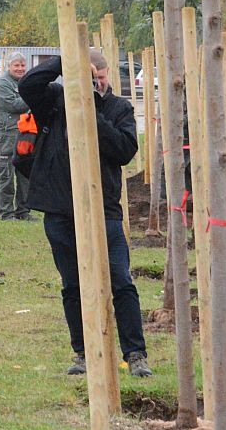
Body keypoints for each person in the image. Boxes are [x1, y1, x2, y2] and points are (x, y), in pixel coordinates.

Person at [19, 50, 151, 378]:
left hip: (104, 210)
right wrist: (67, 61)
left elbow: (124, 150)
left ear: (108, 77)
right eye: (91, 77)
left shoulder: (119, 109)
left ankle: (135, 354)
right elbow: (28, 85)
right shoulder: (55, 102)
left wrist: (92, 109)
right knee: (72, 285)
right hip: (61, 209)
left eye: (101, 78)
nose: (97, 83)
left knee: (120, 280)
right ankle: (82, 353)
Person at [0, 53, 32, 220]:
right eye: (16, 66)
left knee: (24, 175)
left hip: (24, 134)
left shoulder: (23, 83)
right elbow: (15, 105)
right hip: (5, 135)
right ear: (8, 67)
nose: (20, 69)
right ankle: (6, 213)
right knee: (6, 175)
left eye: (22, 65)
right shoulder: (2, 84)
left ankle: (23, 212)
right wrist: (34, 96)